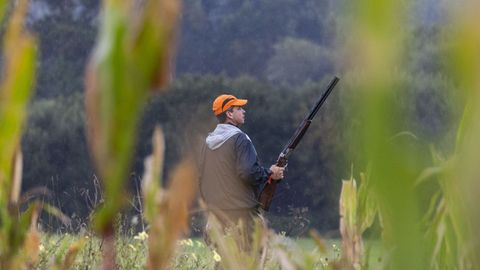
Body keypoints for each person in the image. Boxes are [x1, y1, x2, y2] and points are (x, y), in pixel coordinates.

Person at [199, 94, 285, 251]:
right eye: (239, 108)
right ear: (229, 114)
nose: (244, 111)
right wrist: (270, 173)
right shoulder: (240, 139)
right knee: (251, 260)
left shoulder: (207, 143)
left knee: (224, 262)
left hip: (217, 215)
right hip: (242, 215)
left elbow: (202, 179)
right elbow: (248, 171)